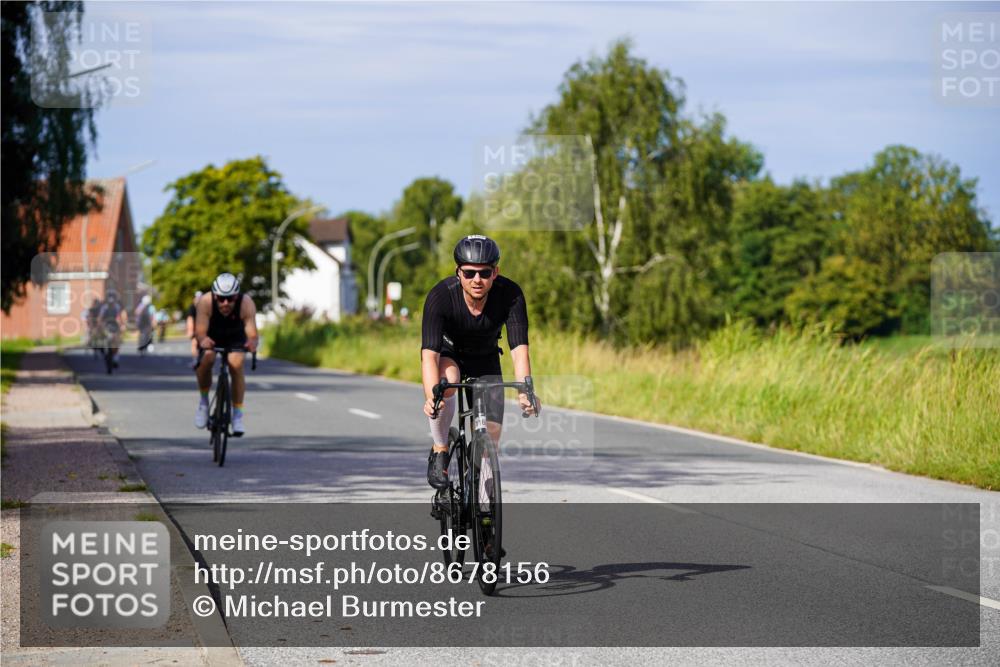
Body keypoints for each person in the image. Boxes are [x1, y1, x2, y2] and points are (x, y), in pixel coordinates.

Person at [421, 235, 538, 490]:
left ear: (495, 272)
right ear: (458, 272)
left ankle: (483, 492)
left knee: (490, 442)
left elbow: (519, 349)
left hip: (486, 357)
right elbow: (429, 355)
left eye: (484, 273)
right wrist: (432, 396)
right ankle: (440, 448)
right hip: (450, 352)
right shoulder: (441, 296)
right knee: (448, 383)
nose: (477, 279)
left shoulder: (510, 295)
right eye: (469, 273)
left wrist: (525, 390)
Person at [194, 273, 258, 436]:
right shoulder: (206, 302)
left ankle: (237, 414)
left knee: (236, 364)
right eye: (221, 298)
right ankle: (203, 402)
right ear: (215, 295)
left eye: (230, 298)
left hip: (235, 336)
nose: (225, 303)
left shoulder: (246, 303)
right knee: (207, 358)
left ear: (237, 296)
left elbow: (252, 334)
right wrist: (203, 340)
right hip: (211, 335)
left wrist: (252, 343)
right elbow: (200, 333)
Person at [97, 291, 126, 367]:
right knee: (102, 338)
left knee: (116, 342)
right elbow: (100, 318)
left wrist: (122, 325)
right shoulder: (104, 308)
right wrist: (100, 325)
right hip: (107, 326)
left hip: (115, 326)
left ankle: (116, 358)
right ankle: (103, 350)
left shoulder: (117, 307)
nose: (111, 304)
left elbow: (120, 317)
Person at [186, 291, 202, 359]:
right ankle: (195, 359)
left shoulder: (205, 307)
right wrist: (190, 330)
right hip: (195, 328)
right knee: (194, 343)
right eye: (197, 298)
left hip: (203, 327)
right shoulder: (192, 308)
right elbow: (190, 319)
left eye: (200, 298)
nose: (198, 300)